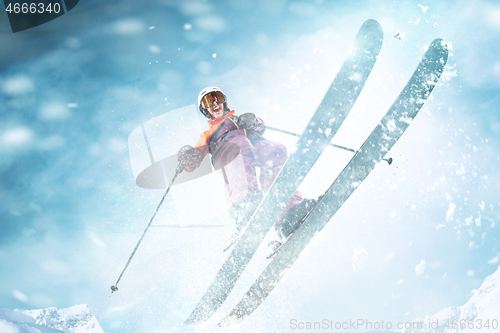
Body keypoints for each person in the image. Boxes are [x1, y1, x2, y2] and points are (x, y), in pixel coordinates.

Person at [177, 86, 315, 241]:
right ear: (205, 110)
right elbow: (196, 156)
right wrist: (188, 156)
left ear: (224, 101)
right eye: (208, 101)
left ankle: (288, 211)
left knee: (273, 148)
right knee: (239, 147)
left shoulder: (239, 120)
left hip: (253, 145)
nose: (215, 103)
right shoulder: (208, 135)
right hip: (228, 153)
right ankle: (244, 206)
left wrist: (253, 121)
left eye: (217, 97)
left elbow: (260, 127)